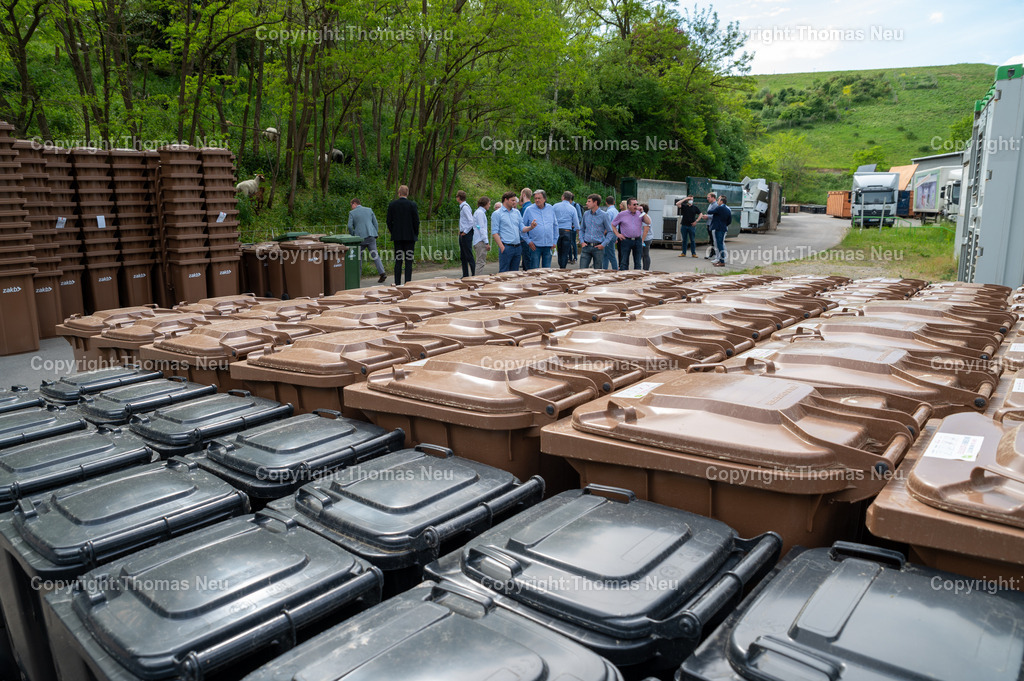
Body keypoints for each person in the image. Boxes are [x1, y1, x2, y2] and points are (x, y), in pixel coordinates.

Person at [347, 198, 387, 283]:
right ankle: (382, 273)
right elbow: (375, 223)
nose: (351, 208)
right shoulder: (369, 210)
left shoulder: (352, 213)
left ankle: (358, 276)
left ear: (354, 204)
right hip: (371, 235)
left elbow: (350, 226)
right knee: (375, 255)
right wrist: (375, 233)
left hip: (360, 238)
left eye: (351, 205)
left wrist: (353, 235)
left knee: (358, 257)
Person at [386, 184, 419, 285]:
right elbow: (416, 221)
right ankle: (408, 283)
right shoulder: (412, 205)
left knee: (398, 261)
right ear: (407, 193)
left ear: (399, 193)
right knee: (409, 262)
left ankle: (397, 283)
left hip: (398, 237)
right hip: (409, 237)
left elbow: (388, 221)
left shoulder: (392, 205)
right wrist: (415, 233)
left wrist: (393, 232)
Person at [611, 197, 650, 270]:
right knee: (624, 262)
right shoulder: (622, 214)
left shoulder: (640, 214)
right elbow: (613, 224)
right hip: (626, 240)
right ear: (629, 206)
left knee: (638, 262)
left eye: (637, 204)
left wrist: (643, 212)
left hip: (637, 240)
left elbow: (648, 222)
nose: (636, 206)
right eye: (634, 204)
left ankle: (637, 278)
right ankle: (624, 278)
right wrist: (617, 234)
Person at [521, 189, 556, 269]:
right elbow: (522, 227)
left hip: (548, 245)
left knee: (547, 270)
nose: (537, 200)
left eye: (539, 198)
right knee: (534, 270)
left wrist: (554, 241)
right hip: (535, 246)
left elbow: (555, 225)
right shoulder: (529, 210)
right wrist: (528, 241)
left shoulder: (550, 208)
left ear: (544, 199)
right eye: (535, 198)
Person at [578, 194, 615, 268]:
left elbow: (610, 231)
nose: (586, 203)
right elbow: (582, 229)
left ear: (595, 203)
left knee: (597, 272)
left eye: (589, 201)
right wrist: (582, 241)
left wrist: (603, 244)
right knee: (582, 270)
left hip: (598, 247)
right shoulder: (586, 214)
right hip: (586, 246)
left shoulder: (604, 215)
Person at [492, 191, 522, 272]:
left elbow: (522, 228)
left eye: (515, 200)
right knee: (504, 272)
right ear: (506, 200)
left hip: (517, 247)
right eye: (512, 200)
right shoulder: (497, 214)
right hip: (506, 247)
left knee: (515, 273)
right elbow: (495, 232)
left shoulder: (516, 212)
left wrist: (531, 227)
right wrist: (501, 247)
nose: (514, 202)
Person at [552, 190, 581, 269]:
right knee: (565, 252)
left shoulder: (555, 206)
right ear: (570, 198)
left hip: (557, 230)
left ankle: (560, 264)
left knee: (559, 250)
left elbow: (551, 218)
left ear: (563, 197)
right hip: (567, 231)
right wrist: (578, 232)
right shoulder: (572, 208)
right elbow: (576, 223)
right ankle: (563, 267)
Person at [707, 195, 732, 267]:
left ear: (721, 201)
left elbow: (709, 211)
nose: (717, 202)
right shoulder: (727, 209)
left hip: (718, 228)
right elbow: (729, 221)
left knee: (719, 244)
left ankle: (722, 261)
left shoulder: (719, 208)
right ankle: (721, 260)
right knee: (720, 244)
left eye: (718, 200)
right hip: (724, 228)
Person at [456, 189, 475, 277]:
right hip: (462, 233)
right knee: (463, 255)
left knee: (468, 255)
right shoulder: (463, 207)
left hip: (466, 234)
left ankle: (474, 274)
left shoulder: (465, 207)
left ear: (459, 198)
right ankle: (465, 274)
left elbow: (471, 221)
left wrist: (465, 231)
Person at [473, 196, 491, 274]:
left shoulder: (478, 212)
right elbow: (481, 228)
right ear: (485, 204)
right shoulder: (480, 213)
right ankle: (477, 279)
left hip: (477, 239)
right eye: (489, 204)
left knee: (479, 261)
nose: (489, 205)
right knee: (481, 262)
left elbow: (478, 226)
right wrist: (486, 242)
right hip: (480, 240)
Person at [519, 188, 534, 270]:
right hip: (531, 238)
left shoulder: (525, 208)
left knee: (527, 264)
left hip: (525, 239)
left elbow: (522, 225)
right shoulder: (532, 206)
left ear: (524, 195)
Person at [602, 196, 619, 270]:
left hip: (610, 234)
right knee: (606, 253)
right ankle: (604, 268)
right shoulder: (616, 211)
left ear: (606, 203)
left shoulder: (608, 212)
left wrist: (604, 232)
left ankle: (615, 269)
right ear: (614, 202)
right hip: (615, 233)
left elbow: (608, 224)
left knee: (611, 254)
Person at [700, 192, 718, 260]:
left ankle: (714, 253)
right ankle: (712, 253)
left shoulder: (715, 205)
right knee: (711, 240)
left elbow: (716, 215)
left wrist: (708, 216)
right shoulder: (710, 205)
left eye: (708, 197)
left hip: (712, 224)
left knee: (714, 240)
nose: (707, 199)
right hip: (709, 223)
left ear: (713, 197)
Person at [640, 202, 654, 270]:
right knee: (643, 254)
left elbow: (646, 230)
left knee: (645, 254)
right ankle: (645, 269)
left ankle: (646, 269)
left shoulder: (645, 218)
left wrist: (642, 240)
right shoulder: (644, 217)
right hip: (645, 238)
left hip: (646, 239)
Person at [570, 197, 583, 263]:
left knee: (573, 242)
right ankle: (569, 257)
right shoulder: (568, 205)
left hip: (574, 227)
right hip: (568, 227)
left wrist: (575, 225)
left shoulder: (576, 205)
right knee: (568, 243)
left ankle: (575, 258)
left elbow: (579, 217)